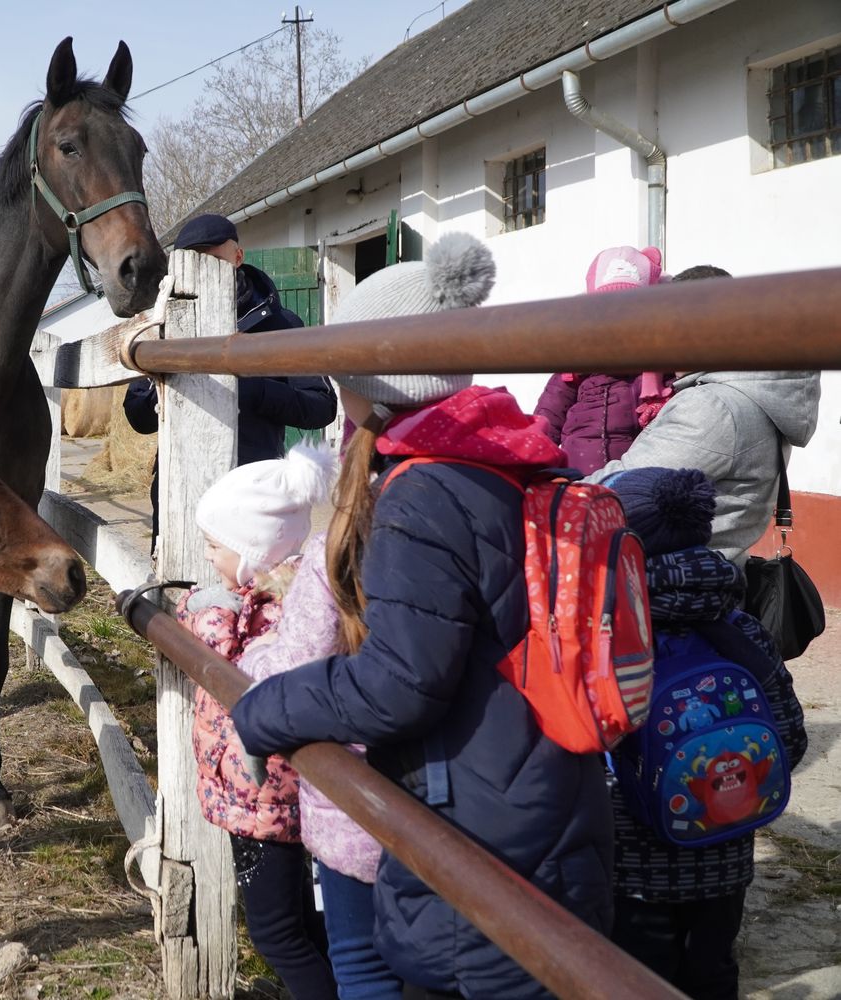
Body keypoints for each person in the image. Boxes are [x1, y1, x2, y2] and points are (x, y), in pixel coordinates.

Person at [230, 232, 615, 1000]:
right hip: (538, 799)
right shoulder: (508, 459)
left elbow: (401, 680)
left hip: (478, 824)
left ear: (374, 383)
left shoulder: (420, 495)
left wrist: (267, 707)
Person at [601, 466, 806, 999]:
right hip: (726, 854)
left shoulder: (610, 636)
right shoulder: (739, 629)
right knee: (713, 973)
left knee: (636, 982)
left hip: (633, 869)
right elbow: (790, 740)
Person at [173, 444, 339, 999]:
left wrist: (205, 609)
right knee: (300, 924)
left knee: (277, 935)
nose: (209, 555)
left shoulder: (272, 609)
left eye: (216, 546)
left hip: (265, 799)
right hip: (258, 797)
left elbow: (230, 666)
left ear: (254, 549)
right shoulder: (265, 595)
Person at [123, 213, 337, 547]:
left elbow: (321, 407)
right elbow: (137, 416)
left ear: (238, 257)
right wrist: (164, 393)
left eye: (214, 258)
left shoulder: (282, 325)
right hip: (178, 490)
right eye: (194, 260)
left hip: (254, 489)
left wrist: (254, 390)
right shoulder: (159, 328)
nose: (205, 268)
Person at [586, 265, 823, 564]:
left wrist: (553, 495)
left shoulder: (714, 406)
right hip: (710, 579)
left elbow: (626, 491)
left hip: (673, 589)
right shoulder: (753, 394)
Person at [532, 245, 672, 475]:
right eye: (606, 310)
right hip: (578, 479)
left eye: (630, 310)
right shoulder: (577, 361)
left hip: (631, 481)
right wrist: (534, 464)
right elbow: (548, 416)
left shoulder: (657, 366)